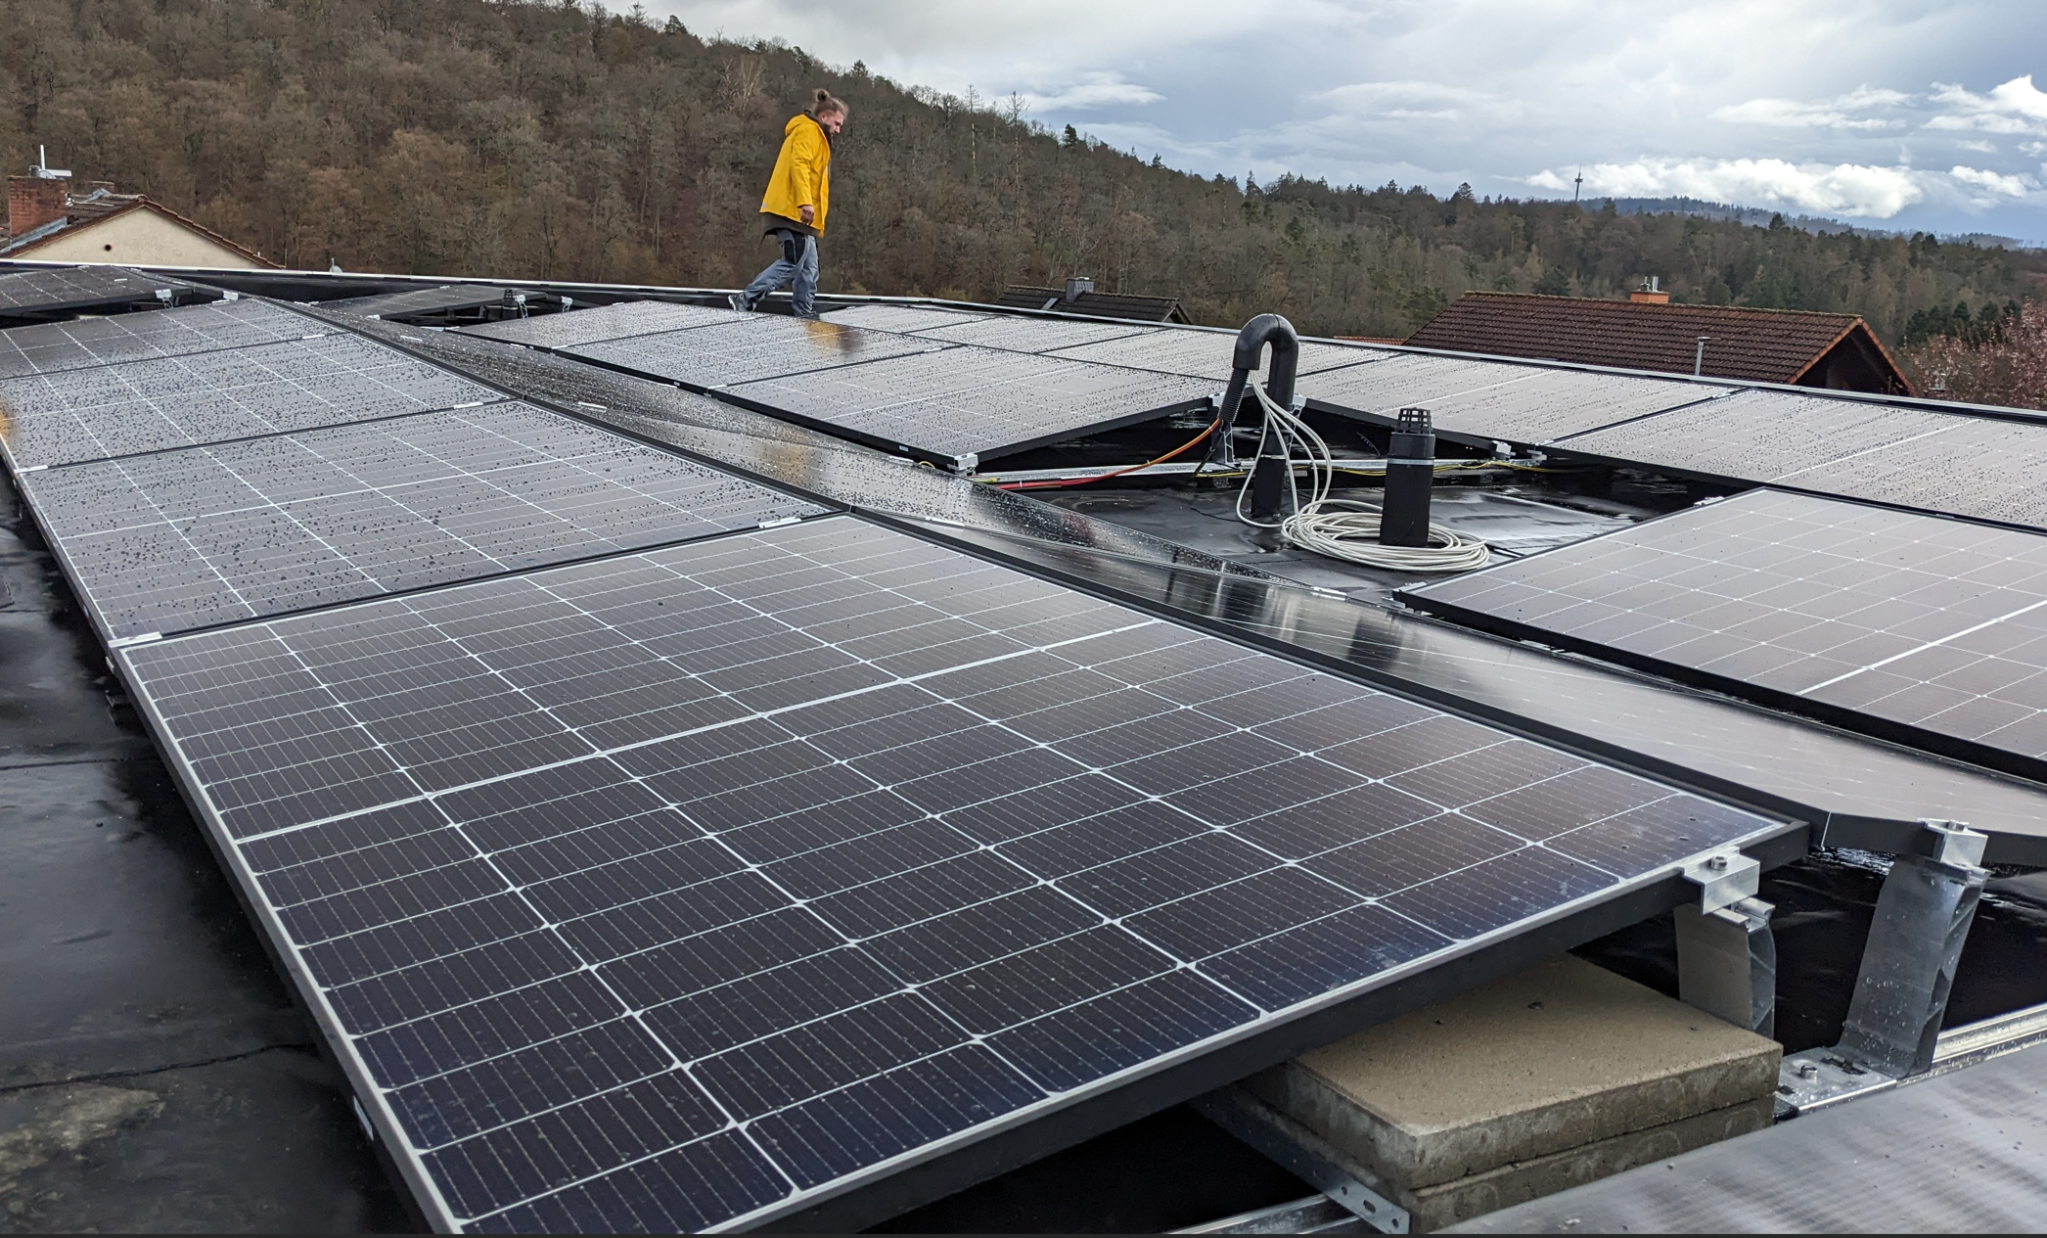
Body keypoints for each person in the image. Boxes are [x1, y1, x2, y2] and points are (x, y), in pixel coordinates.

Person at [733, 89, 846, 319]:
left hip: (803, 216)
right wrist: (805, 202)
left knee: (809, 267)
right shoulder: (808, 131)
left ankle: (803, 313)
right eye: (836, 123)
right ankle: (746, 299)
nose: (838, 129)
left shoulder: (818, 136)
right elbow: (799, 165)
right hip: (792, 211)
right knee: (794, 262)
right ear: (824, 117)